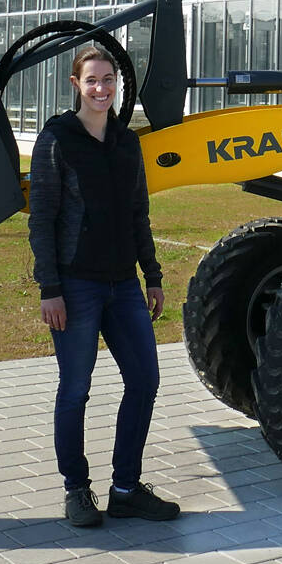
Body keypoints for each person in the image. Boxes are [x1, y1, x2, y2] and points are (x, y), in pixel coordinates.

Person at [28, 43, 178, 527]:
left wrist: (152, 277)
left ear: (117, 85)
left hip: (124, 285)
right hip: (75, 288)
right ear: (76, 85)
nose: (101, 89)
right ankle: (76, 491)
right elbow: (41, 220)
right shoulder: (57, 140)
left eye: (108, 80)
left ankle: (126, 489)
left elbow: (138, 214)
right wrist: (49, 289)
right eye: (91, 80)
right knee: (75, 389)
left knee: (145, 380)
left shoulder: (126, 143)